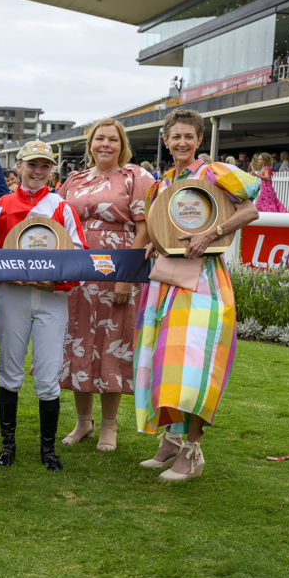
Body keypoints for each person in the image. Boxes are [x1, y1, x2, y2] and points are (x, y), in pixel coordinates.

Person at [135, 107, 260, 481]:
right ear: (166, 140)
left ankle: (193, 450)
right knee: (164, 361)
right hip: (167, 282)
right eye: (176, 136)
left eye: (189, 136)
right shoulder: (161, 183)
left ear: (200, 139)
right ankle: (172, 440)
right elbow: (162, 228)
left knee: (193, 366)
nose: (182, 142)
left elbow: (250, 210)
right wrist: (156, 243)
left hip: (204, 282)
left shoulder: (212, 173)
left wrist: (211, 234)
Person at [57, 119, 153, 452]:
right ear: (91, 144)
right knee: (79, 344)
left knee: (114, 345)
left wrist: (126, 277)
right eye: (100, 138)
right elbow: (56, 222)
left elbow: (144, 228)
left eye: (113, 139)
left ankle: (109, 425)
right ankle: (83, 422)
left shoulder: (135, 177)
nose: (105, 144)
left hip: (117, 273)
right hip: (78, 275)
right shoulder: (74, 180)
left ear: (122, 145)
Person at [0, 140, 89, 471]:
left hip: (51, 298)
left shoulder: (61, 206)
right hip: (13, 295)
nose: (38, 171)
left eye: (45, 165)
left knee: (48, 375)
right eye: (32, 164)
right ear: (18, 166)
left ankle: (47, 450)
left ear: (52, 170)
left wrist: (57, 283)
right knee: (10, 372)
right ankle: (8, 446)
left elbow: (80, 257)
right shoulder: (2, 205)